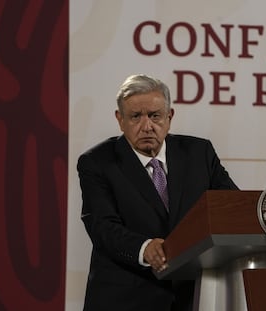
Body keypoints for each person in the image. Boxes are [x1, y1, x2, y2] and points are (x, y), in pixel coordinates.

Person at [77, 74, 239, 311]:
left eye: (155, 116)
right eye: (135, 117)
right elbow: (102, 227)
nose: (147, 126)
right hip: (125, 299)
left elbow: (232, 206)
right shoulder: (97, 162)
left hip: (192, 299)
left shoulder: (199, 153)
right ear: (120, 119)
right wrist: (144, 248)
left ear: (169, 117)